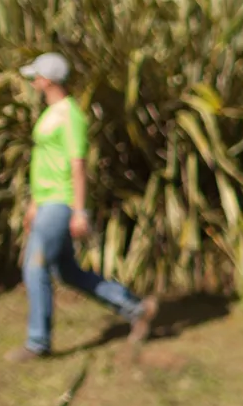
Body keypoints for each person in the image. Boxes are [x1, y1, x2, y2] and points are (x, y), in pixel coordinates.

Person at [14, 52, 157, 361]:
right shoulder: (51, 113)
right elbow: (45, 163)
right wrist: (34, 203)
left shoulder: (70, 116)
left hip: (61, 201)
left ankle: (38, 342)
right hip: (47, 200)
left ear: (48, 80)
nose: (33, 81)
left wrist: (79, 211)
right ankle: (137, 308)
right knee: (67, 271)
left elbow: (78, 166)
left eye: (36, 76)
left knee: (34, 267)